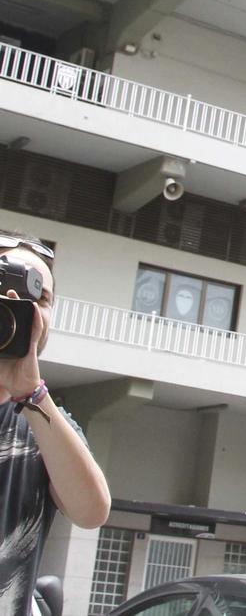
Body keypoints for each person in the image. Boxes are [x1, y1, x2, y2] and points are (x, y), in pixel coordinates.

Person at [0, 230, 111, 616]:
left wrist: (31, 395)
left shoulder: (46, 422)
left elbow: (91, 512)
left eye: (40, 298)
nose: (23, 307)